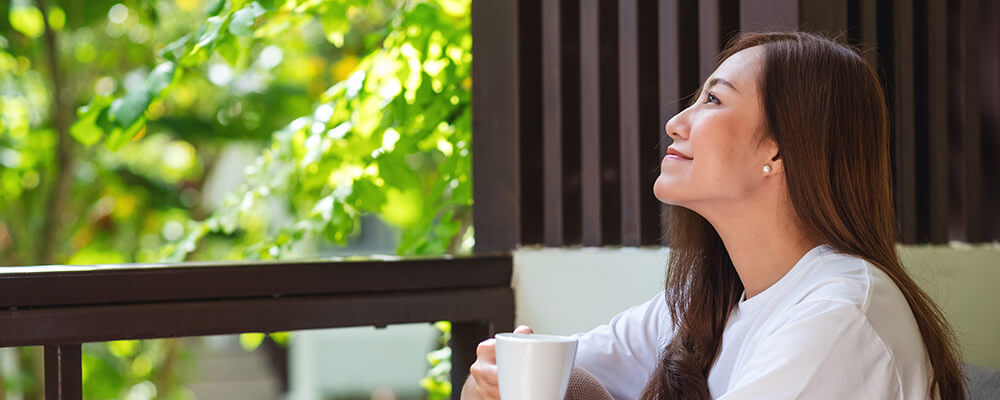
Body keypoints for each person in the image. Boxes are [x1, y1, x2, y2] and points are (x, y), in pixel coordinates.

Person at [461, 32, 966, 399]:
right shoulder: (701, 301)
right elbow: (537, 374)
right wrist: (496, 377)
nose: (676, 122)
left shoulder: (840, 316)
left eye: (713, 99)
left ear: (781, 149)